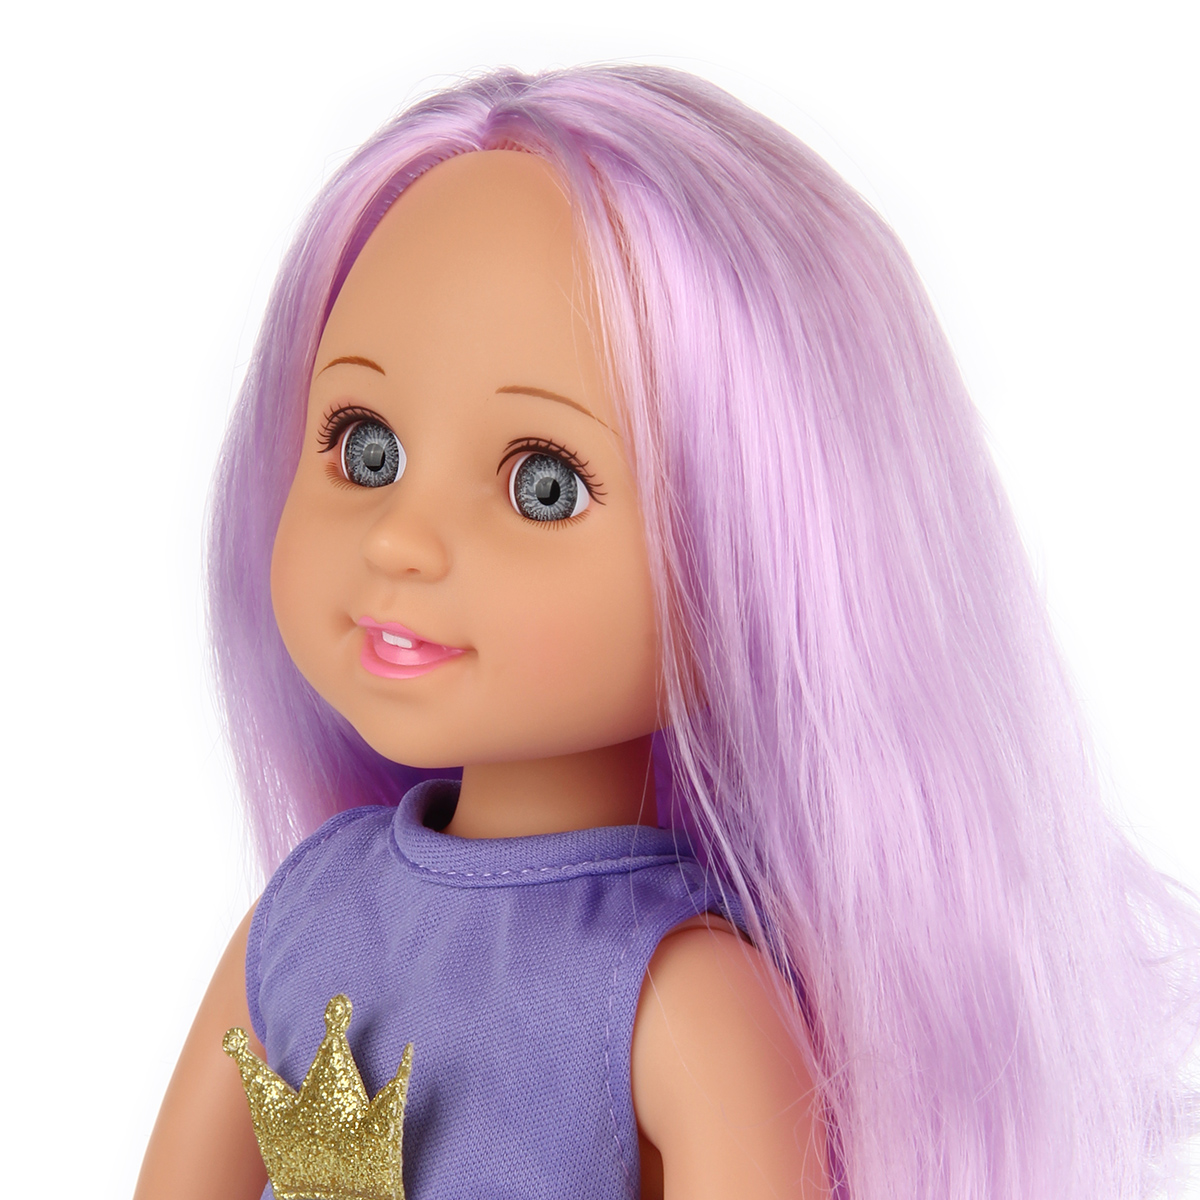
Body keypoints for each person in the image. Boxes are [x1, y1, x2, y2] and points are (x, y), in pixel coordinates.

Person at [135, 66, 1200, 1200]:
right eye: (366, 448)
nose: (399, 539)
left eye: (544, 485)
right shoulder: (302, 920)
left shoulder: (678, 998)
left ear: (765, 549)